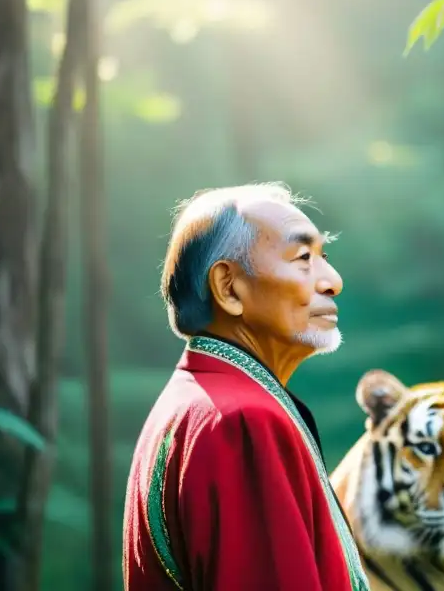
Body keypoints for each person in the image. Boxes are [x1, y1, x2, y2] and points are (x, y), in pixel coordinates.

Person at [122, 183, 370, 591]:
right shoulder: (241, 421)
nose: (333, 282)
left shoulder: (198, 402)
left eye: (325, 257)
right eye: (304, 257)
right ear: (228, 288)